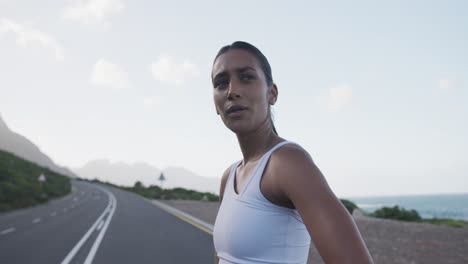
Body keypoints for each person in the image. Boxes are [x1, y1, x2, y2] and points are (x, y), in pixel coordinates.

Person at [211, 41, 374, 264]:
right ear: (215, 105)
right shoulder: (229, 177)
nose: (232, 91)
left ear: (272, 93)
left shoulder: (287, 164)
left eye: (246, 77)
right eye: (221, 83)